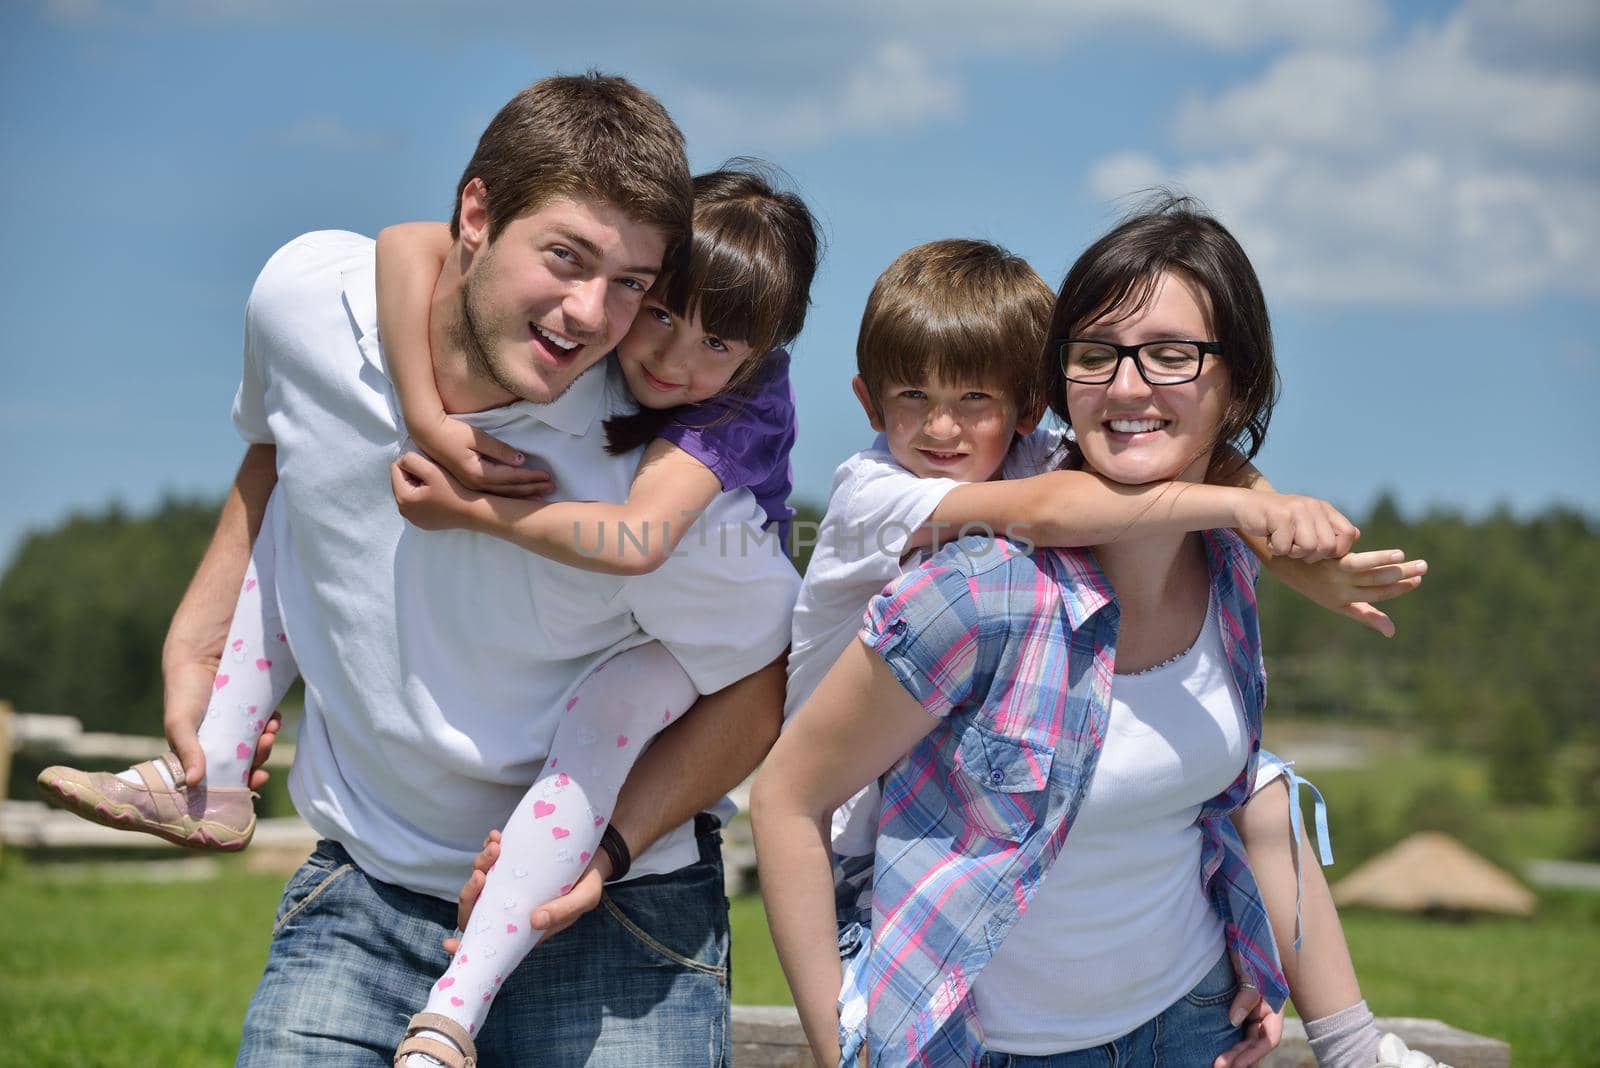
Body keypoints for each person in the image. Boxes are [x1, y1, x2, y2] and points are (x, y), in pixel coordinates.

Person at [49, 72, 799, 1067]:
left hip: (610, 919)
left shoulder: (659, 472)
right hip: (361, 888)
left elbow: (757, 689)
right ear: (477, 214)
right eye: (566, 257)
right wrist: (203, 614)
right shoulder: (306, 298)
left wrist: (610, 851)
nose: (591, 315)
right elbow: (286, 441)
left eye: (630, 284)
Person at [751, 200, 1433, 1068]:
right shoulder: (964, 568)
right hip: (982, 1027)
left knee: (1265, 785)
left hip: (1194, 1022)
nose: (1126, 384)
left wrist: (1293, 548)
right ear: (1063, 386)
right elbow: (785, 799)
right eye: (1097, 355)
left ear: (1241, 384)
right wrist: (842, 1049)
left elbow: (1225, 797)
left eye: (1172, 355)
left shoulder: (1224, 567)